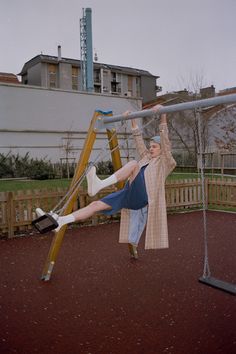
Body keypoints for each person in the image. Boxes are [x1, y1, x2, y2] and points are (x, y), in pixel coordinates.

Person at [36, 105, 176, 258]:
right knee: (95, 205)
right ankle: (61, 222)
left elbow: (166, 141)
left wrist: (163, 116)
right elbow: (138, 139)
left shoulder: (166, 163)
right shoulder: (146, 158)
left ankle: (100, 184)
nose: (151, 149)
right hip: (128, 194)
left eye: (155, 147)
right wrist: (133, 121)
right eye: (151, 147)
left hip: (143, 197)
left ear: (162, 150)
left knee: (133, 164)